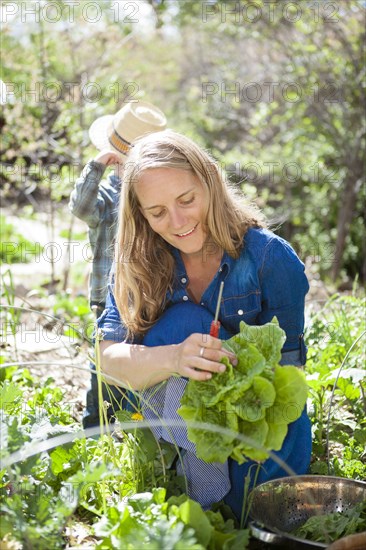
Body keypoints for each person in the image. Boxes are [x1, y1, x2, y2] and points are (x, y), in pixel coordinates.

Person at [97, 130, 311, 519]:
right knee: (183, 322)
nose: (177, 222)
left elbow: (288, 377)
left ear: (210, 180)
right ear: (140, 213)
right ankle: (181, 467)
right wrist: (175, 358)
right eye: (157, 212)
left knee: (257, 510)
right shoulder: (137, 264)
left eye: (187, 200)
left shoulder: (269, 260)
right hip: (168, 424)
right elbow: (107, 358)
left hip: (249, 424)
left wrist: (235, 389)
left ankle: (222, 487)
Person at [69, 101, 167, 428]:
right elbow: (81, 207)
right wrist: (96, 167)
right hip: (109, 299)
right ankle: (95, 429)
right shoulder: (108, 194)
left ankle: (133, 427)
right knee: (104, 371)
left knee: (139, 366)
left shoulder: (154, 197)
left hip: (149, 297)